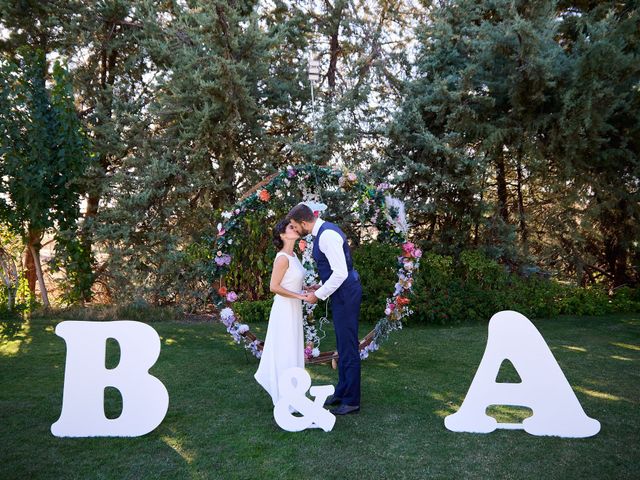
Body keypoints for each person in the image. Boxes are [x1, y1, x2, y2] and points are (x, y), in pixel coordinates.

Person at [287, 203, 362, 415]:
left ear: (304, 222)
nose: (294, 229)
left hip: (346, 294)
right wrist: (320, 285)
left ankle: (352, 400)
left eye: (294, 225)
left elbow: (340, 274)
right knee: (342, 343)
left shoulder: (327, 236)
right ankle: (342, 391)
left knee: (348, 347)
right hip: (342, 292)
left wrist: (317, 296)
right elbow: (334, 271)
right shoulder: (322, 232)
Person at [254, 219, 309, 405]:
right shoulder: (283, 258)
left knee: (292, 347)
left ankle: (294, 394)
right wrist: (300, 296)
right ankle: (284, 397)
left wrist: (308, 288)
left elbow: (292, 281)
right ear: (282, 235)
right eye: (291, 227)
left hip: (293, 308)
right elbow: (274, 287)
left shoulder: (293, 256)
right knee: (285, 349)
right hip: (284, 309)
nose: (295, 229)